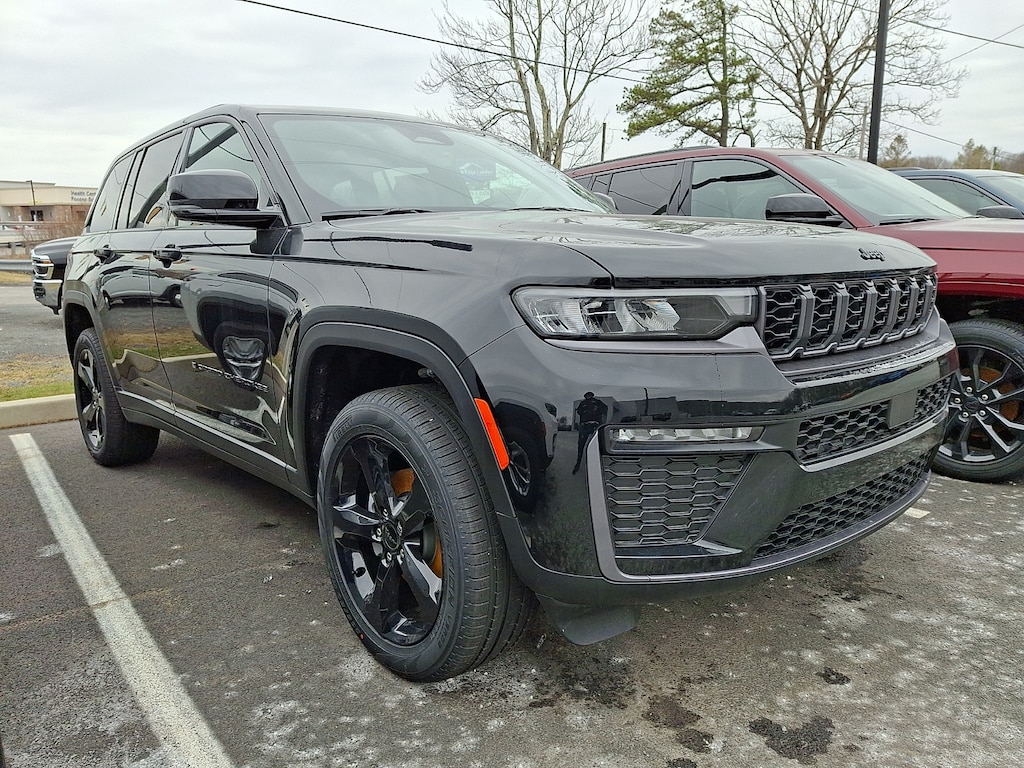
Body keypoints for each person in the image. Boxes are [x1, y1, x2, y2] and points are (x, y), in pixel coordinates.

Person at [572, 392, 607, 474]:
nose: (588, 397)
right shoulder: (582, 403)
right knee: (581, 446)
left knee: (596, 446)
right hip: (585, 425)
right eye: (587, 396)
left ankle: (596, 466)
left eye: (589, 395)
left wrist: (602, 421)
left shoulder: (597, 402)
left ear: (592, 395)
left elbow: (605, 409)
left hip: (595, 425)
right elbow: (579, 411)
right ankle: (578, 464)